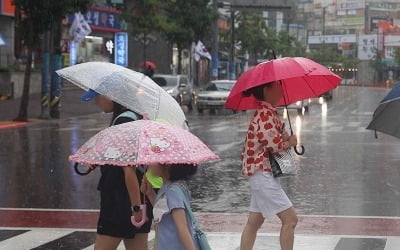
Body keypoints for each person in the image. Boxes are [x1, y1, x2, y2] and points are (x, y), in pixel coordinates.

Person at [80, 89, 154, 250]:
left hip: (120, 200)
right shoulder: (135, 117)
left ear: (111, 96)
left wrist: (135, 208)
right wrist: (102, 161)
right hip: (138, 197)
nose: (98, 102)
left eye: (98, 97)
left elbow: (129, 170)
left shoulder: (124, 121)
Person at [239, 82, 299, 250]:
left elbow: (272, 138)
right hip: (262, 175)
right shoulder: (265, 114)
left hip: (261, 175)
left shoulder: (268, 113)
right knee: (291, 219)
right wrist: (290, 142)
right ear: (266, 91)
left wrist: (285, 135)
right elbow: (275, 145)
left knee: (254, 222)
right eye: (277, 87)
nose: (281, 90)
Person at [140, 164, 200, 250]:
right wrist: (150, 193)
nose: (149, 164)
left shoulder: (172, 192)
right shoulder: (170, 186)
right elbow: (163, 212)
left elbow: (182, 227)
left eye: (153, 161)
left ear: (166, 165)